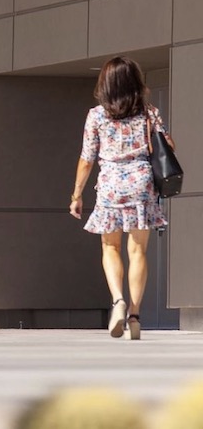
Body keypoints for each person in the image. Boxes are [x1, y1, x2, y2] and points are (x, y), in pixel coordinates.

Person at [69, 55, 175, 341]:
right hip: (141, 183)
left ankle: (118, 301)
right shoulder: (148, 113)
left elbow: (87, 158)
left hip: (110, 185)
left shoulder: (97, 116)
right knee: (138, 251)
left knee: (110, 247)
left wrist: (77, 194)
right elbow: (168, 147)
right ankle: (135, 316)